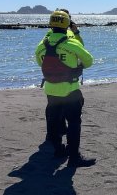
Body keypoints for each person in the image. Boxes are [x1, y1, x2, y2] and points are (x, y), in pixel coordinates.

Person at [35, 10, 95, 167]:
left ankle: (59, 151)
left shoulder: (42, 45)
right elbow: (89, 61)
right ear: (67, 24)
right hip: (70, 91)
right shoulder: (71, 42)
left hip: (50, 91)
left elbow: (39, 62)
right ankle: (74, 157)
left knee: (54, 122)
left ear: (51, 24)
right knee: (74, 123)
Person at [44, 9, 83, 141]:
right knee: (65, 114)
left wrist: (76, 32)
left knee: (54, 110)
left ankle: (55, 137)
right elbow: (83, 53)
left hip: (52, 80)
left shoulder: (51, 35)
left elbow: (41, 57)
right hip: (65, 80)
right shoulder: (56, 34)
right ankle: (57, 134)